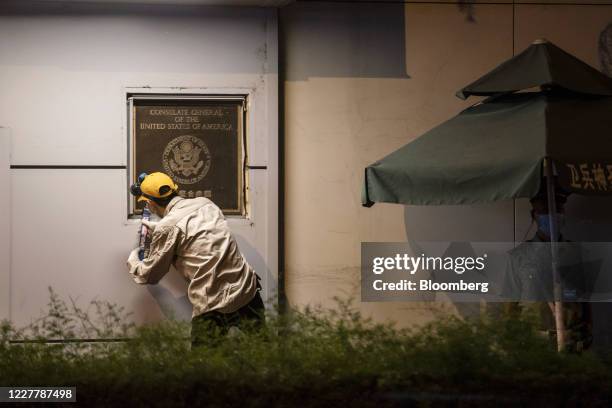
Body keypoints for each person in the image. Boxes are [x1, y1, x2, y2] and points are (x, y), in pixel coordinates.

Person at [126, 172, 265, 348]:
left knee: (203, 370)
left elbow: (150, 275)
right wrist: (163, 231)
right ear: (174, 190)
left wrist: (135, 257)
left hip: (211, 305)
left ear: (150, 203)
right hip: (247, 291)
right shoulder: (207, 204)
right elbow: (196, 236)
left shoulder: (167, 227)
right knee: (263, 356)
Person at [503, 186, 592, 352]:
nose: (552, 216)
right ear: (534, 216)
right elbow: (510, 310)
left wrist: (586, 336)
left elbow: (585, 303)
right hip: (534, 346)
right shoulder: (518, 257)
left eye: (557, 210)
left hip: (573, 344)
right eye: (545, 211)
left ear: (564, 214)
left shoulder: (578, 255)